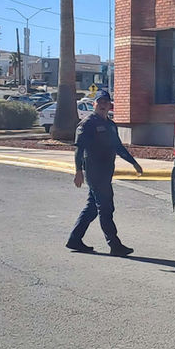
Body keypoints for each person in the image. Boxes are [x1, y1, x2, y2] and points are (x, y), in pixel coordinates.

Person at [67, 89, 143, 256]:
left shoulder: (110, 125)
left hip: (106, 171)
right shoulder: (87, 124)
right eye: (99, 102)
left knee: (92, 208)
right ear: (94, 104)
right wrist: (78, 170)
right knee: (106, 207)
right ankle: (114, 245)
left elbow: (118, 147)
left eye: (105, 102)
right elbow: (79, 149)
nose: (102, 105)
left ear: (110, 105)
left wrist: (134, 163)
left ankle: (74, 239)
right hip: (94, 172)